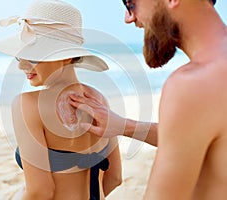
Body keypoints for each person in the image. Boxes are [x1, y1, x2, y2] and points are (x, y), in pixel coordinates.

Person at [70, 0, 227, 199]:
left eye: (130, 3)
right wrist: (124, 126)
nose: (129, 18)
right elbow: (206, 134)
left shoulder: (193, 84)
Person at [0, 0, 122, 199]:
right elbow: (115, 178)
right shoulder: (99, 99)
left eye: (32, 56)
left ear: (66, 56)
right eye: (20, 55)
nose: (21, 65)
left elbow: (40, 192)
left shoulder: (28, 105)